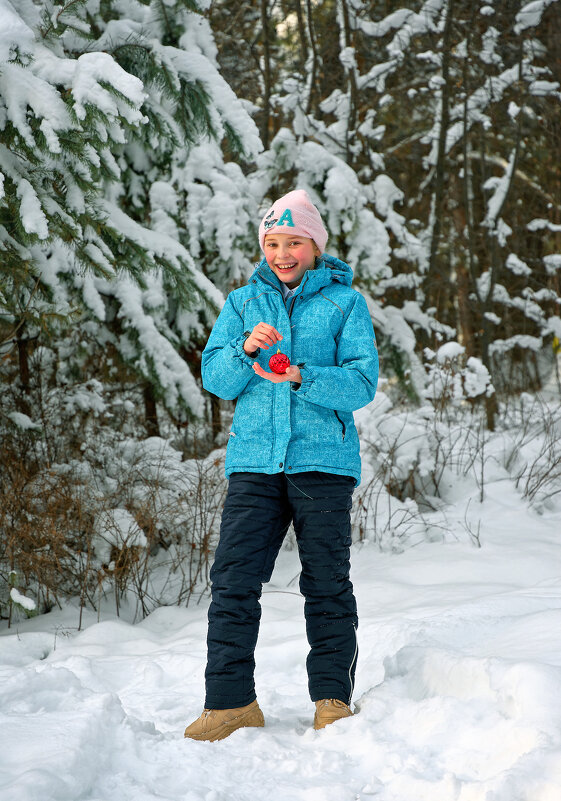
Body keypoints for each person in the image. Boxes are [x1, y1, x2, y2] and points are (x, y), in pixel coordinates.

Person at [184, 189, 378, 741]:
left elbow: (362, 383)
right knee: (233, 582)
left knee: (326, 584)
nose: (283, 253)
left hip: (323, 463)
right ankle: (230, 703)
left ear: (315, 245)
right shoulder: (243, 303)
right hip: (254, 463)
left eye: (294, 241)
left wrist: (302, 375)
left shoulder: (345, 303)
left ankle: (332, 700)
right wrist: (246, 349)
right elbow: (216, 380)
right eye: (273, 242)